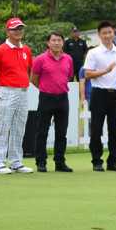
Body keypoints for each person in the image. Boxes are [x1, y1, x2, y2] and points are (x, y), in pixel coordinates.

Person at [0, 17, 34, 175]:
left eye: (20, 28)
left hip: (23, 92)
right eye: (15, 29)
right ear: (8, 31)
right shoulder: (0, 50)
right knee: (3, 127)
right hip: (6, 91)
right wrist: (3, 84)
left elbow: (27, 71)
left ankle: (15, 162)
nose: (18, 31)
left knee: (18, 128)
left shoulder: (26, 50)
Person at [83, 21, 116, 172]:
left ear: (114, 33)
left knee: (115, 129)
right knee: (96, 129)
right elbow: (87, 74)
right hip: (99, 93)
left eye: (110, 32)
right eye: (104, 33)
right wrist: (106, 70)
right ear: (99, 35)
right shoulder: (93, 53)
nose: (107, 36)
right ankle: (97, 161)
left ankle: (113, 161)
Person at [31, 32, 75, 173]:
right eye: (53, 40)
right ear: (48, 43)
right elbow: (34, 78)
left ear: (63, 43)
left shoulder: (68, 59)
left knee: (61, 132)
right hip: (46, 98)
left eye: (59, 40)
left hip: (63, 98)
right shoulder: (40, 59)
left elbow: (69, 76)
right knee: (42, 131)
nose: (56, 43)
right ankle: (41, 162)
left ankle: (60, 162)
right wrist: (44, 88)